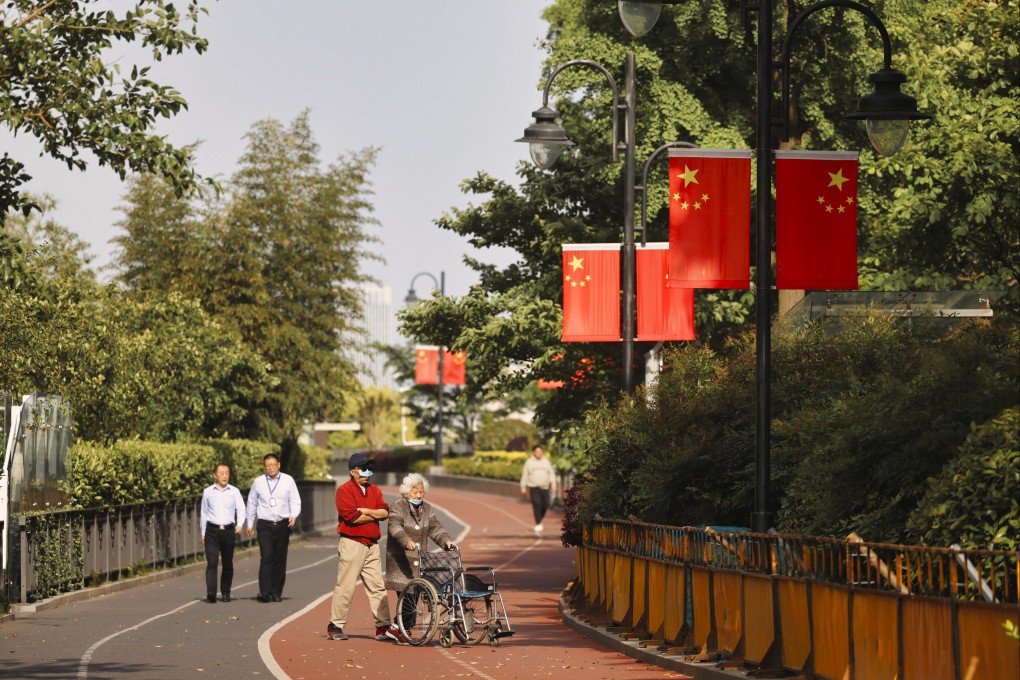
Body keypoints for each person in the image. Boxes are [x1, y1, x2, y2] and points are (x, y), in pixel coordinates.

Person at [383, 473, 456, 643]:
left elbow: (436, 528)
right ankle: (400, 628)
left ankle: (397, 628)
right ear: (406, 491)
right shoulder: (398, 507)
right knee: (408, 596)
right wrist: (406, 541)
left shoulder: (427, 508)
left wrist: (446, 541)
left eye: (421, 492)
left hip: (418, 561)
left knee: (414, 595)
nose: (418, 495)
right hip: (401, 561)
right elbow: (395, 527)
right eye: (415, 492)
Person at [327, 452, 391, 642]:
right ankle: (335, 625)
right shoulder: (344, 491)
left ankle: (383, 626)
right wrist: (374, 514)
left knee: (377, 587)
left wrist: (367, 511)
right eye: (363, 468)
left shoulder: (375, 490)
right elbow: (352, 517)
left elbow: (385, 512)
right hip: (352, 543)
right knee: (346, 586)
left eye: (369, 468)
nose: (367, 472)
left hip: (372, 544)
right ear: (352, 471)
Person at [246, 453, 301, 603]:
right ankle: (264, 592)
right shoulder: (258, 482)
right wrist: (249, 523)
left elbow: (295, 500)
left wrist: (293, 515)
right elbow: (252, 503)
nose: (270, 468)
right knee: (266, 556)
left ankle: (276, 592)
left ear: (278, 465)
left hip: (282, 524)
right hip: (265, 525)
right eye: (267, 465)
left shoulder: (288, 480)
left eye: (272, 465)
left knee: (279, 558)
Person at [199, 463, 246, 603]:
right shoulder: (208, 492)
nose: (225, 476)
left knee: (227, 563)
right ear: (215, 475)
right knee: (212, 562)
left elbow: (241, 509)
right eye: (221, 473)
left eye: (227, 473)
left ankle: (226, 592)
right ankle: (211, 593)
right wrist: (203, 532)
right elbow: (204, 513)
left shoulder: (234, 491)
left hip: (228, 530)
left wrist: (239, 524)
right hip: (212, 531)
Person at [520, 445, 557, 533]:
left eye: (540, 451)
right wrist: (523, 487)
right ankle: (538, 523)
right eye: (537, 452)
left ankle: (539, 518)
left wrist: (553, 484)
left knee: (545, 504)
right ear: (533, 453)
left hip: (544, 487)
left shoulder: (546, 462)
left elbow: (551, 473)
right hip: (534, 487)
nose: (538, 453)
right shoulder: (529, 462)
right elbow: (525, 475)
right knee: (537, 503)